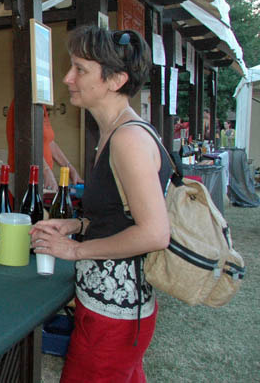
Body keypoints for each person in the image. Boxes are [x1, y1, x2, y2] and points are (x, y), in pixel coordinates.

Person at [29, 26, 172, 383]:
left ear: (116, 80)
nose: (68, 78)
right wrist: (77, 225)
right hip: (107, 310)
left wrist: (75, 250)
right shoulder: (113, 133)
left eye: (80, 69)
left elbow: (155, 233)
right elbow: (121, 217)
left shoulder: (128, 139)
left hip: (115, 316)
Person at [6, 99, 83, 191]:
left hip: (41, 175)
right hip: (26, 177)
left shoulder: (40, 105)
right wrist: (46, 171)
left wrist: (69, 168)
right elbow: (27, 142)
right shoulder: (23, 101)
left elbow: (49, 141)